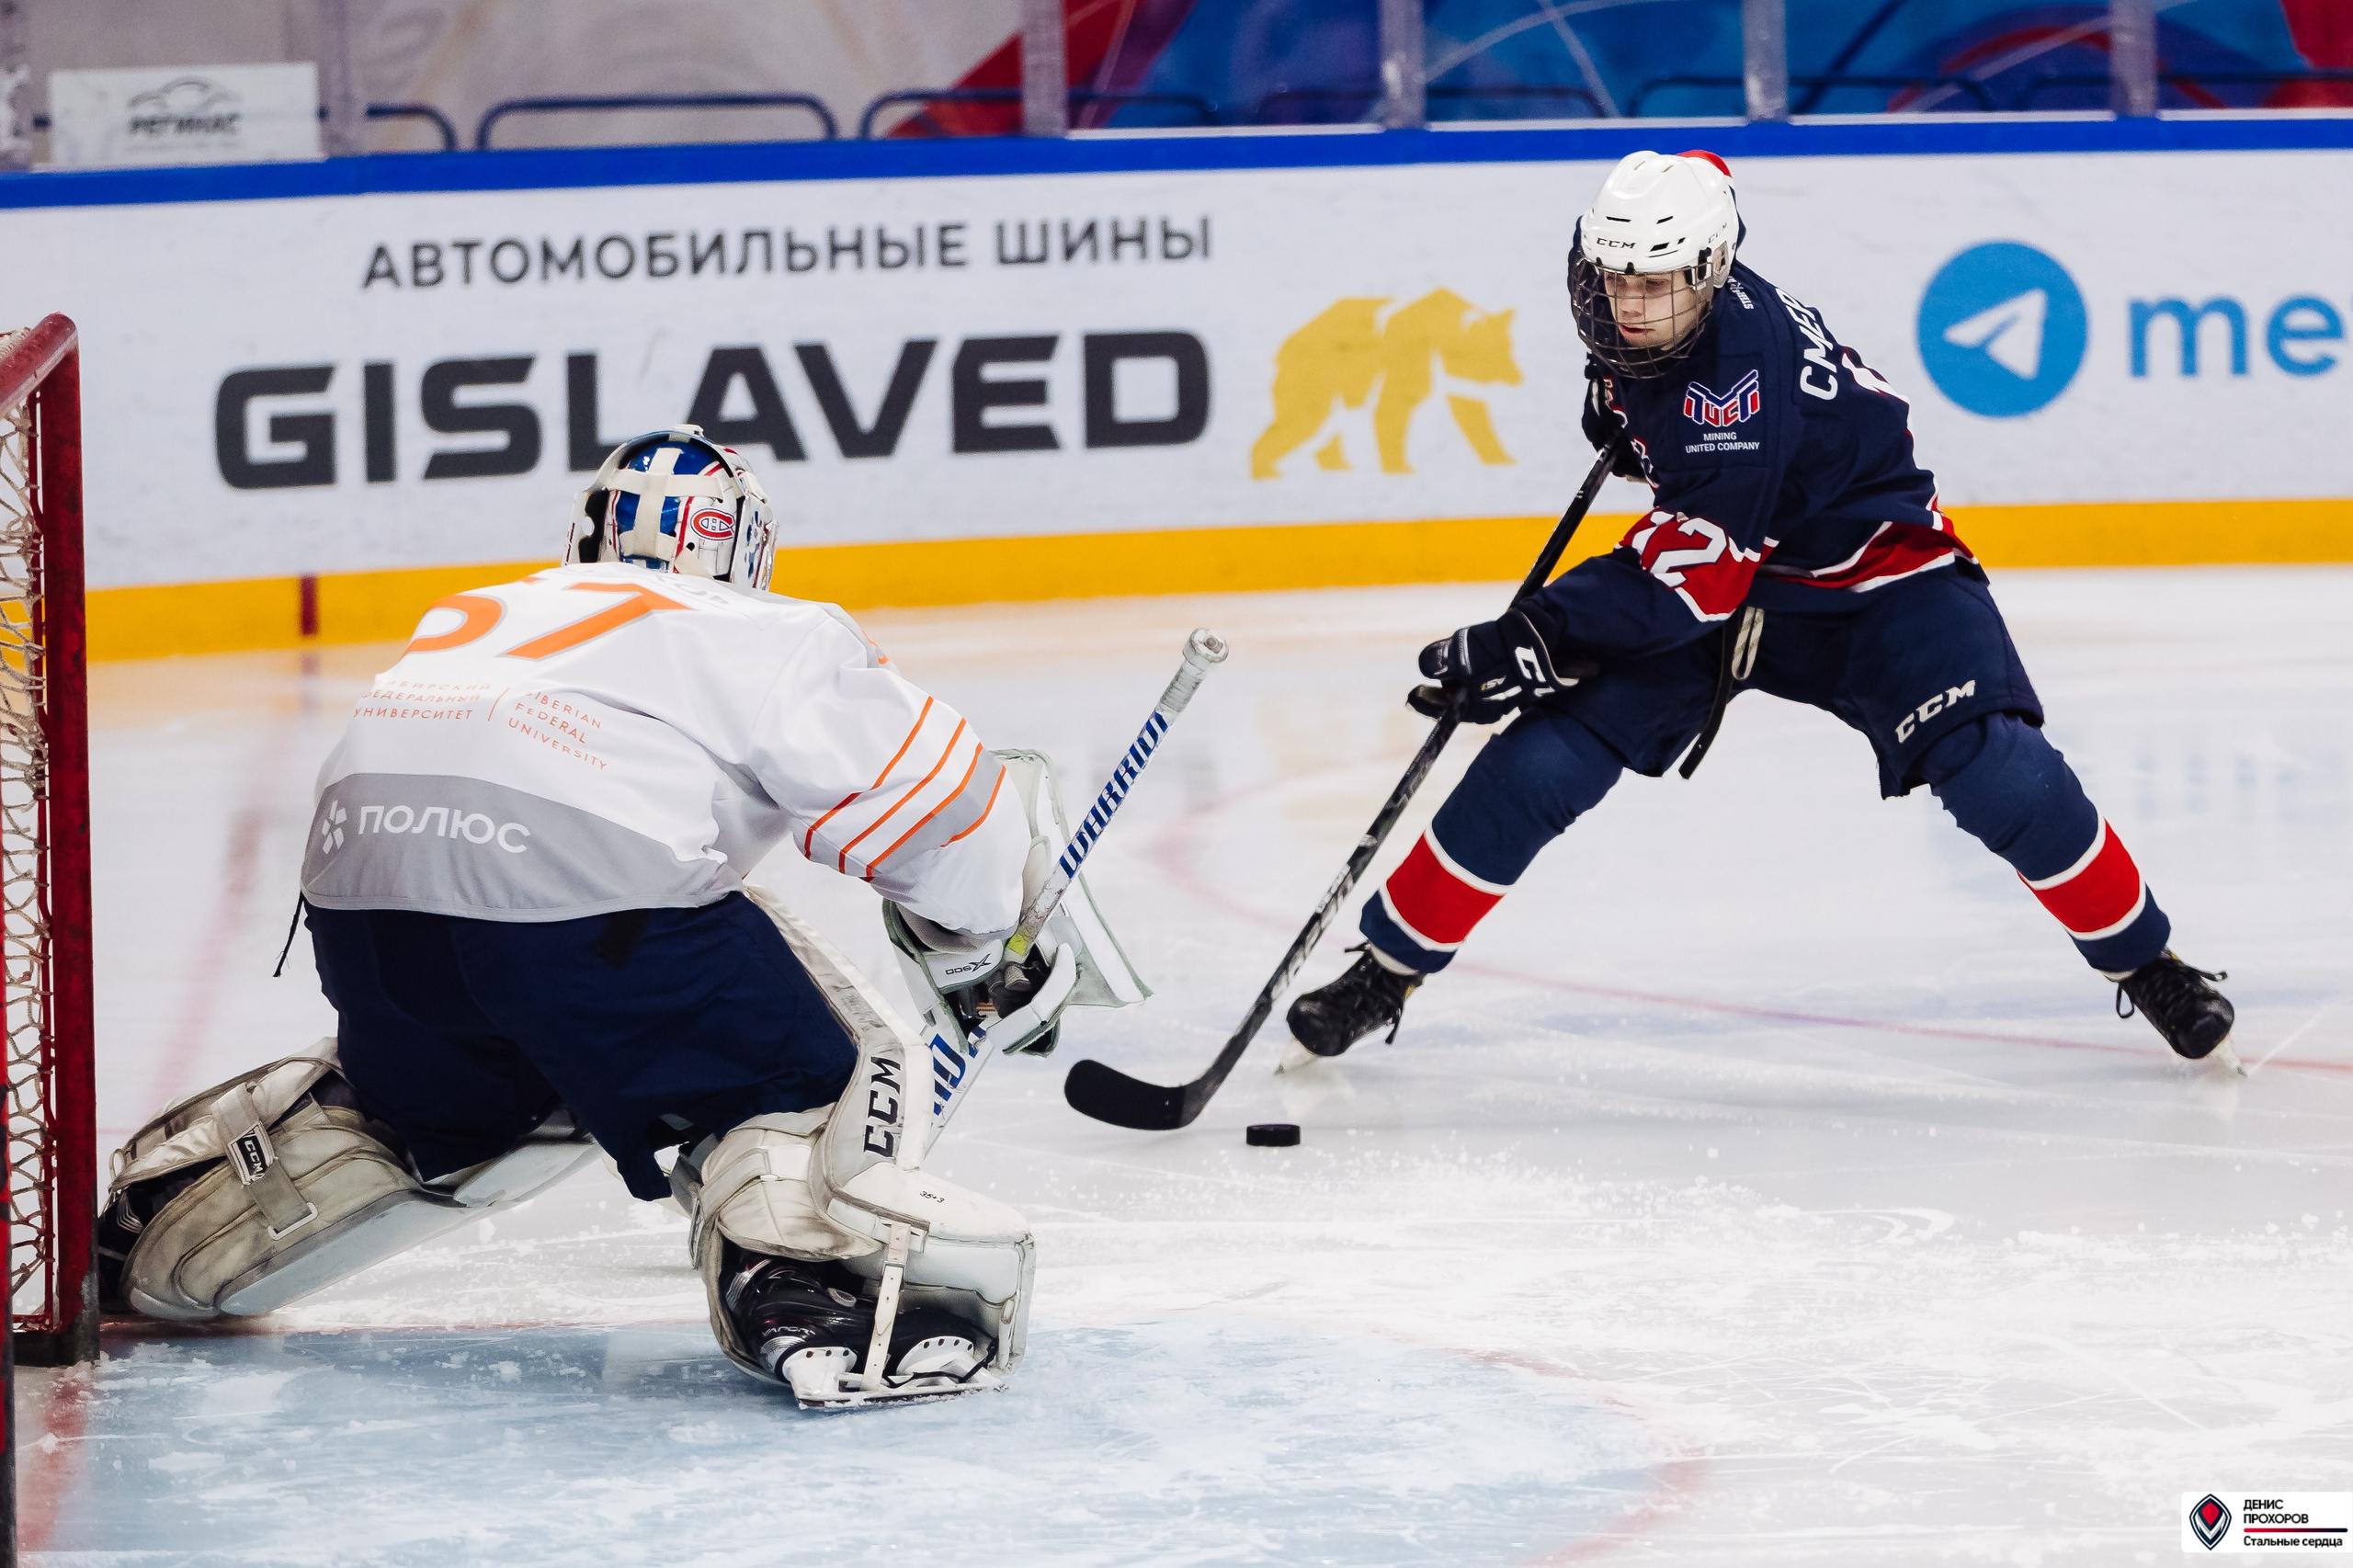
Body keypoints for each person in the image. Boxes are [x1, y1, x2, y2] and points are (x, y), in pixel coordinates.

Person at [97, 426, 1134, 1402]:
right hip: (579, 907)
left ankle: (163, 1228)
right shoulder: (765, 626)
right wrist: (990, 941)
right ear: (749, 551)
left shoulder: (491, 606)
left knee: (449, 1107)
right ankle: (816, 1288)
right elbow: (948, 817)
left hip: (364, 914)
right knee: (804, 1065)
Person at [1284, 151, 2235, 1070]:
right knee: (1547, 755)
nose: (1628, 303)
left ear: (1708, 272)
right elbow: (1705, 170)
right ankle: (1387, 970)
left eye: (1654, 285)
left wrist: (1532, 635)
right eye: (1615, 278)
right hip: (1736, 565)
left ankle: (2146, 961)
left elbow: (1687, 579)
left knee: (1999, 770)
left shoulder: (1729, 390)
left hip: (1873, 578)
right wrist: (1630, 424)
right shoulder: (1686, 282)